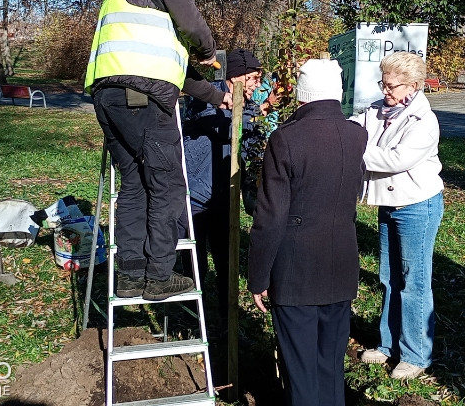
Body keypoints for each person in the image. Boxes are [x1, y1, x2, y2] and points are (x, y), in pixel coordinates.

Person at [84, 0, 219, 301]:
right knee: (170, 185)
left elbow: (174, 69)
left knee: (135, 183)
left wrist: (218, 97)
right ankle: (160, 275)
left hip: (109, 96)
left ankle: (129, 275)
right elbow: (192, 23)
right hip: (141, 99)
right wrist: (207, 48)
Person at [247, 58, 368, 406]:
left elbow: (270, 217)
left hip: (295, 269)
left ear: (301, 95)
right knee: (330, 367)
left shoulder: (286, 139)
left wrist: (258, 276)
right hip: (341, 264)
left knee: (300, 371)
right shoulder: (356, 134)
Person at [349, 51, 444, 380]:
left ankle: (417, 354)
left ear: (414, 86)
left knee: (414, 282)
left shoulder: (423, 121)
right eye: (383, 83)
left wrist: (350, 149)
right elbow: (352, 127)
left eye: (392, 86)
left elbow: (394, 160)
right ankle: (389, 345)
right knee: (390, 278)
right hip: (390, 204)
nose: (385, 90)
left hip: (417, 205)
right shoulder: (377, 109)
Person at [180, 48, 262, 311]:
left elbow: (245, 138)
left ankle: (228, 319)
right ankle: (194, 318)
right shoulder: (205, 95)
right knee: (195, 262)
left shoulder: (245, 103)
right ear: (236, 77)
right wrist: (259, 110)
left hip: (223, 195)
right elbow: (227, 128)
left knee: (227, 261)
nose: (257, 84)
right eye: (253, 78)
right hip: (196, 194)